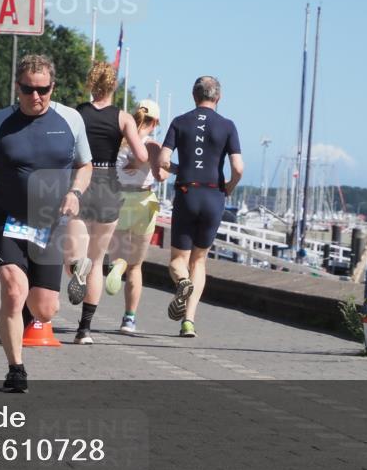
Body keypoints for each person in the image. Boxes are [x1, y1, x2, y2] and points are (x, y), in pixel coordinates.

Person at [0, 54, 91, 393]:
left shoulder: (71, 120)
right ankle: (15, 369)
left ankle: (48, 295)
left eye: (43, 90)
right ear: (17, 87)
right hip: (10, 221)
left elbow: (85, 165)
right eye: (28, 90)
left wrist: (75, 192)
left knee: (45, 308)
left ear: (53, 87)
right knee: (13, 291)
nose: (36, 97)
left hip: (51, 225)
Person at [64, 61, 148, 345]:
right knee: (99, 261)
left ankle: (78, 268)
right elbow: (142, 155)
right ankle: (84, 331)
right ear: (114, 86)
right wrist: (135, 163)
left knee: (75, 257)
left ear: (91, 84)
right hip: (109, 184)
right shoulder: (123, 118)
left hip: (81, 180)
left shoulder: (77, 113)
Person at [154, 76, 242, 338]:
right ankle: (189, 322)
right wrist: (229, 187)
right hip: (214, 195)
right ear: (219, 97)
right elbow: (238, 167)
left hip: (187, 192)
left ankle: (182, 283)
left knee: (178, 261)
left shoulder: (180, 122)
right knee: (199, 260)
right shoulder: (227, 125)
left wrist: (181, 170)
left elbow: (163, 160)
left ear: (194, 96)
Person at [106, 101, 161, 334]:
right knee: (136, 266)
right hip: (144, 203)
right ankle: (129, 318)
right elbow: (162, 174)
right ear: (155, 122)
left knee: (120, 257)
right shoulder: (152, 145)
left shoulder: (119, 143)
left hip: (119, 200)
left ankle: (117, 264)